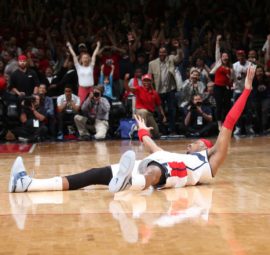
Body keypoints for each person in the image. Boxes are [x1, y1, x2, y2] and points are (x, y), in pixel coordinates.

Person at [8, 65, 256, 194]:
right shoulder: (177, 155)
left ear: (205, 146)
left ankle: (132, 183)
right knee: (93, 174)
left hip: (159, 174)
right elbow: (154, 148)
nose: (191, 144)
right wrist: (141, 131)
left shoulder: (208, 163)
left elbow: (229, 123)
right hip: (142, 166)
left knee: (154, 170)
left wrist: (245, 90)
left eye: (196, 143)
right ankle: (28, 184)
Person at [124, 73, 166, 138]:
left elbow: (159, 105)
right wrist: (126, 80)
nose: (146, 82)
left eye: (148, 81)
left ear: (151, 82)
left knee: (156, 134)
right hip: (140, 111)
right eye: (144, 81)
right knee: (143, 112)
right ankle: (142, 132)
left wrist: (163, 115)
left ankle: (136, 128)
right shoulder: (139, 89)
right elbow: (128, 89)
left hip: (149, 114)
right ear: (142, 82)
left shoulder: (154, 93)